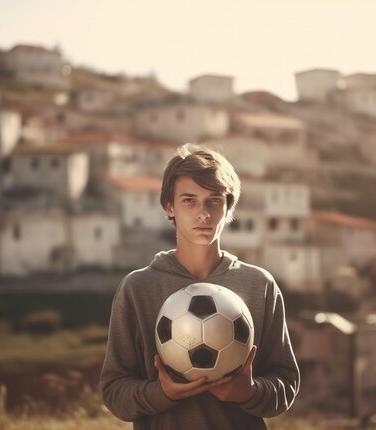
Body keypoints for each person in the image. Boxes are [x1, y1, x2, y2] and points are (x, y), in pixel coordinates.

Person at [100, 143, 299, 429]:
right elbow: (114, 391)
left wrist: (250, 392)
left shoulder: (260, 286)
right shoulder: (138, 288)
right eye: (189, 200)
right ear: (169, 206)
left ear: (229, 206)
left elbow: (286, 383)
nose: (203, 214)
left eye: (214, 200)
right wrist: (161, 393)